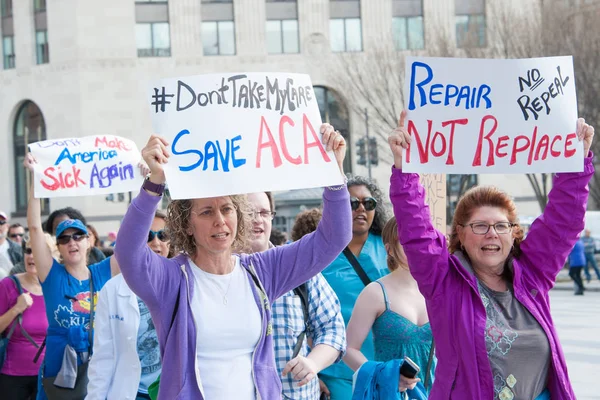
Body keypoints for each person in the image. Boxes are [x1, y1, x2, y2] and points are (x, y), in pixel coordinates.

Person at [115, 125, 351, 400]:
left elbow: (333, 238)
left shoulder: (262, 270)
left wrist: (333, 173)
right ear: (187, 225)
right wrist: (154, 183)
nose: (220, 220)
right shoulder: (171, 279)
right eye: (206, 212)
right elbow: (129, 253)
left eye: (227, 209)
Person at [388, 111, 595, 400]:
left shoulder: (534, 273)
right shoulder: (443, 282)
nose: (492, 234)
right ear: (459, 233)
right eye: (480, 226)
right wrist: (405, 168)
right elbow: (417, 231)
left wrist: (576, 162)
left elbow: (564, 220)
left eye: (501, 226)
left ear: (513, 233)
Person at [24, 153, 119, 400]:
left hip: (98, 367)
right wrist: (35, 176)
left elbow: (133, 242)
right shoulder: (52, 276)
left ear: (89, 241)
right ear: (58, 247)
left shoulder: (103, 271)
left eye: (78, 236)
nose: (72, 242)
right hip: (59, 373)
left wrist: (147, 184)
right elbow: (34, 227)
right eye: (64, 238)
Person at [247, 192, 346, 400]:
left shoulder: (297, 267)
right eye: (249, 212)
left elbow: (333, 329)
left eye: (265, 213)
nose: (258, 219)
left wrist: (313, 363)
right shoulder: (219, 275)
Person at [344, 216, 434, 396]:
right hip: (389, 393)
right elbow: (348, 349)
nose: (415, 247)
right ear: (390, 250)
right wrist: (385, 374)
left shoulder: (439, 292)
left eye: (419, 239)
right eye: (405, 241)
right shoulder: (376, 292)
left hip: (436, 392)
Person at [87, 210, 170, 400]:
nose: (156, 242)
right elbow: (103, 356)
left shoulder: (184, 281)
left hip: (172, 391)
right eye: (147, 236)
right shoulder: (112, 290)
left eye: (163, 235)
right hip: (132, 393)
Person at [319, 176, 389, 399]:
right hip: (336, 369)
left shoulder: (391, 248)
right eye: (352, 203)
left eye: (368, 203)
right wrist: (315, 371)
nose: (361, 209)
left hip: (385, 366)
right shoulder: (320, 250)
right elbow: (307, 313)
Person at [0, 235, 49, 400]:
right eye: (28, 250)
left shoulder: (56, 288)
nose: (31, 256)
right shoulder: (8, 285)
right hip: (13, 375)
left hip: (48, 375)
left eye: (37, 251)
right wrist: (16, 309)